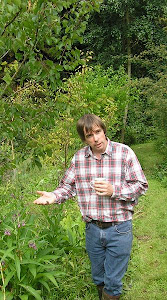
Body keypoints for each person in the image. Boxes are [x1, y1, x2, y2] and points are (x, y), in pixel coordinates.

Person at [34, 114, 148, 300]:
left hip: (119, 228)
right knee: (98, 277)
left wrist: (114, 190)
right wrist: (54, 196)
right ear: (84, 138)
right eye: (89, 135)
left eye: (98, 132)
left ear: (104, 131)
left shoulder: (124, 153)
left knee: (113, 282)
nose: (95, 139)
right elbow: (68, 187)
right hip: (92, 229)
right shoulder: (79, 158)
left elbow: (141, 185)